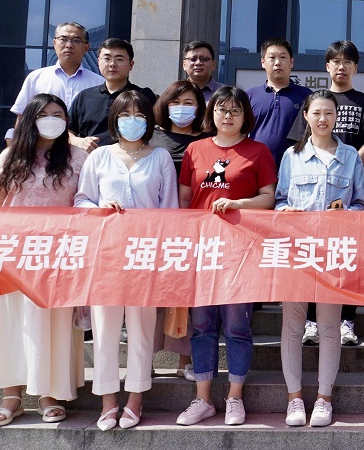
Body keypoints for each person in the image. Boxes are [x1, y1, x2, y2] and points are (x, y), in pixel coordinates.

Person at [0, 94, 87, 426]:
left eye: (59, 114)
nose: (52, 120)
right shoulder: (10, 156)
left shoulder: (78, 158)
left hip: (56, 256)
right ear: (30, 119)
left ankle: (47, 394)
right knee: (10, 324)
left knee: (51, 325)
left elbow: (85, 202)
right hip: (11, 256)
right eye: (44, 114)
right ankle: (11, 397)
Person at [74, 90, 178, 430]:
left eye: (139, 115)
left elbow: (169, 209)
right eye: (125, 115)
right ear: (114, 119)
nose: (132, 121)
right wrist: (99, 207)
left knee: (141, 329)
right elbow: (81, 200)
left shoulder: (160, 157)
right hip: (106, 254)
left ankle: (135, 399)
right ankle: (107, 401)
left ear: (148, 121)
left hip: (145, 255)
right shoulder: (99, 157)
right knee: (104, 329)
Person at [176, 86, 277, 427]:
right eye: (221, 109)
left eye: (235, 110)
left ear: (245, 115)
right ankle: (202, 399)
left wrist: (237, 204)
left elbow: (268, 198)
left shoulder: (258, 151)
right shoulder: (195, 149)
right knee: (202, 325)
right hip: (202, 249)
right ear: (212, 113)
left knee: (237, 325)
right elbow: (184, 199)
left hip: (240, 250)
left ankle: (235, 396)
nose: (228, 115)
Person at [276, 89, 364, 428]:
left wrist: (348, 213)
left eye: (329, 112)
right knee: (292, 326)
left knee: (330, 327)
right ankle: (294, 398)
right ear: (306, 116)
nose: (323, 119)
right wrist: (287, 211)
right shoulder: (292, 156)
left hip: (334, 253)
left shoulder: (350, 156)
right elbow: (279, 200)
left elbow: (361, 203)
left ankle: (324, 398)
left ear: (336, 117)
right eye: (316, 112)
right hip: (298, 251)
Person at [287, 40, 364, 346]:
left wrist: (349, 162)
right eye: (336, 61)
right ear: (327, 66)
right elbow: (298, 142)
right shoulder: (314, 100)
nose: (341, 67)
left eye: (347, 62)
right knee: (313, 261)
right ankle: (312, 322)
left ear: (355, 67)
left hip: (349, 190)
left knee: (346, 261)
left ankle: (346, 321)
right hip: (312, 195)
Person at [149, 80, 209, 381]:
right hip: (155, 228)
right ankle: (144, 360)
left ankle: (186, 360)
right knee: (152, 296)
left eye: (189, 103)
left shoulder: (208, 140)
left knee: (189, 298)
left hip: (195, 228)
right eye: (176, 102)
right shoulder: (152, 137)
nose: (182, 109)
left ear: (199, 108)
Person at [6, 22, 103, 142]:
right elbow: (22, 117)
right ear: (55, 43)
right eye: (63, 39)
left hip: (83, 148)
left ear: (86, 47)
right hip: (42, 148)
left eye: (76, 41)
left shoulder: (99, 83)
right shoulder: (36, 78)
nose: (69, 45)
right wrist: (19, 147)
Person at [67, 38, 157, 152]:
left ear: (131, 64)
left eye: (119, 59)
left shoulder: (144, 96)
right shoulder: (84, 97)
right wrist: (78, 141)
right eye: (107, 59)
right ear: (98, 62)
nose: (112, 64)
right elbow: (67, 131)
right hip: (91, 158)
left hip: (133, 158)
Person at [248, 37, 311, 164]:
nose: (277, 62)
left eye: (283, 57)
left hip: (296, 165)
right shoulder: (250, 96)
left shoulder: (307, 96)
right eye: (272, 57)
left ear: (291, 62)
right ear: (262, 62)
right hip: (256, 165)